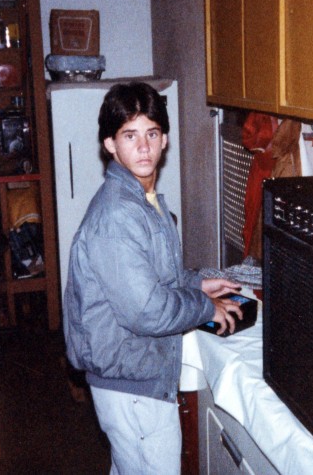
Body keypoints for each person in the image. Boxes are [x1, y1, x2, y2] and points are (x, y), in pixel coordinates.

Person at [63, 81, 242, 475]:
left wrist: (195, 284)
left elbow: (149, 277)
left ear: (165, 140)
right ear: (110, 144)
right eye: (130, 135)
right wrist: (204, 306)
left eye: (152, 133)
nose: (144, 147)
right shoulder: (118, 214)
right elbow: (146, 311)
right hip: (132, 386)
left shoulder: (143, 200)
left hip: (132, 377)